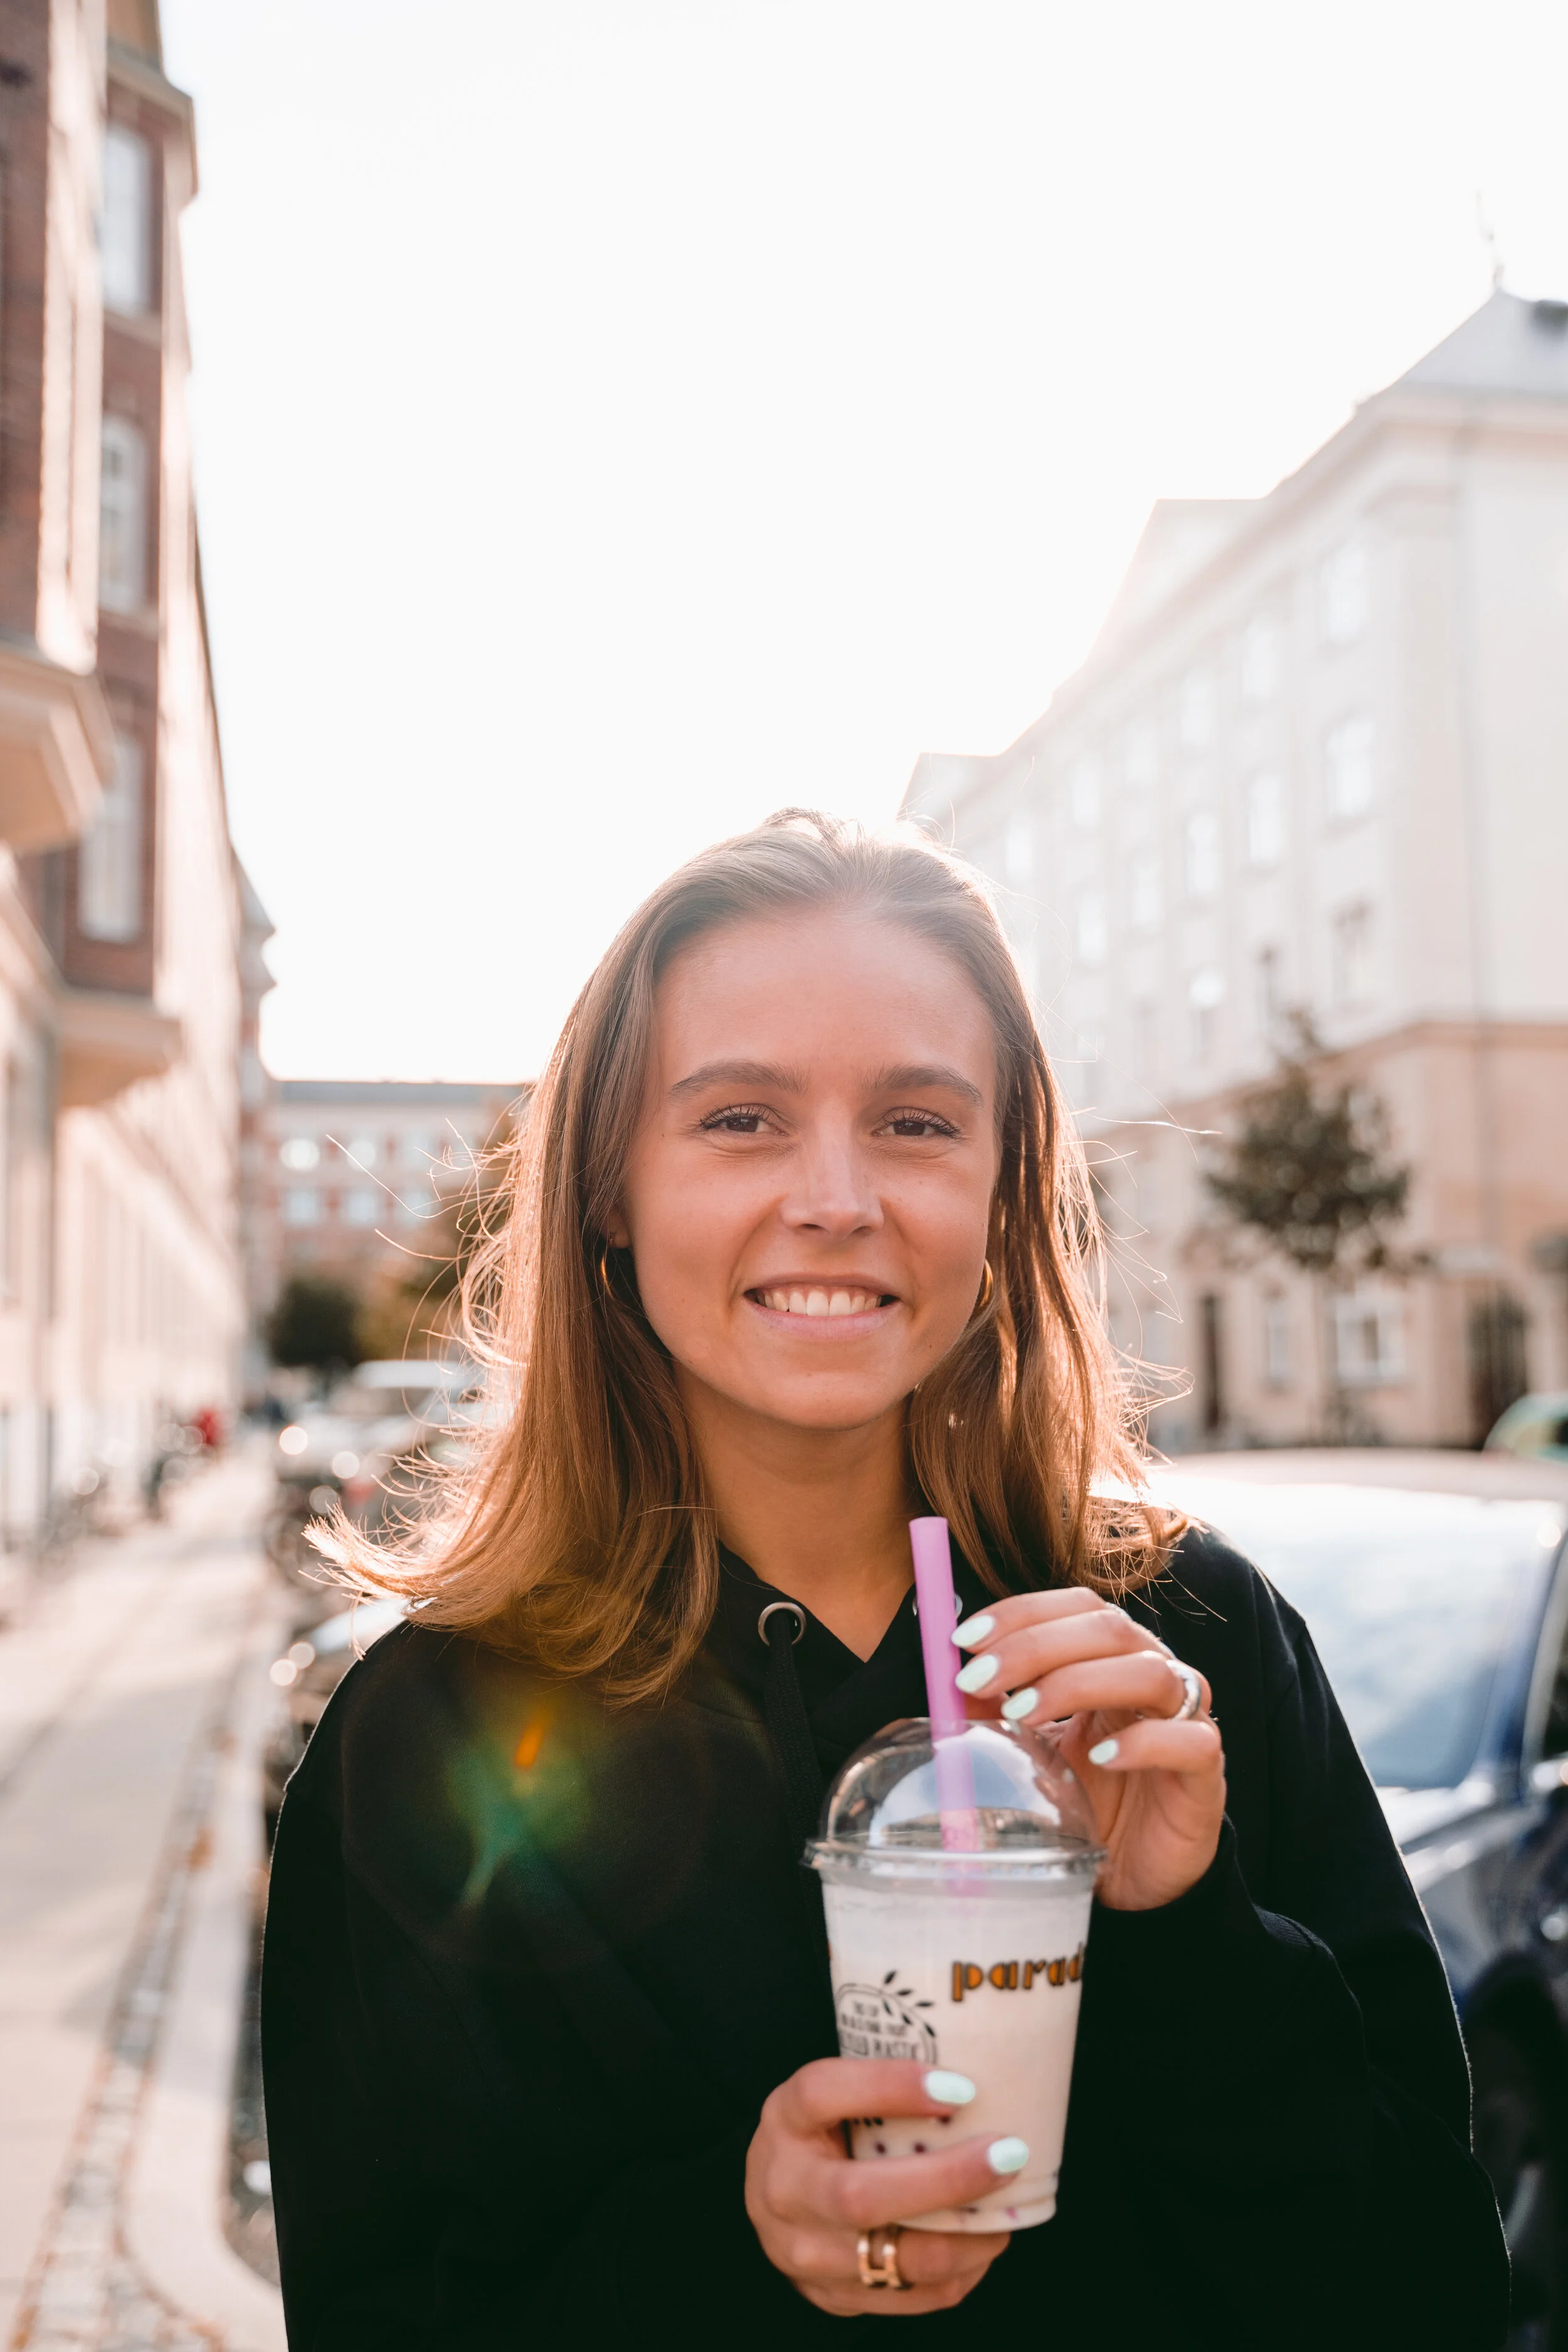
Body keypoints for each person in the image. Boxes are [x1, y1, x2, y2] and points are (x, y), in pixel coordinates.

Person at [262, 812, 1509, 2346]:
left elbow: (1426, 2289)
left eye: (918, 1122)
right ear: (608, 1191)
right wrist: (737, 2252)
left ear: (1000, 1191)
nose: (837, 1198)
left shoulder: (1190, 1645)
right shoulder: (432, 1727)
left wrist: (1190, 1933)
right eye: (739, 1120)